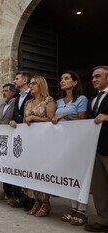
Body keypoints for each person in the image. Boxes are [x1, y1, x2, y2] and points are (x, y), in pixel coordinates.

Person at [51, 70, 88, 225]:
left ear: (75, 82)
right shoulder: (58, 102)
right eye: (61, 79)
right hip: (62, 142)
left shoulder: (81, 99)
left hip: (77, 141)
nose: (62, 81)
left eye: (66, 78)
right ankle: (73, 208)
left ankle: (82, 210)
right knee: (69, 175)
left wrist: (65, 116)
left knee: (80, 174)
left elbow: (83, 119)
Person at [22, 75, 56, 217]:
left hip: (45, 141)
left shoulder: (48, 101)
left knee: (43, 171)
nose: (31, 86)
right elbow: (24, 122)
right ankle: (36, 200)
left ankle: (45, 203)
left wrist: (35, 118)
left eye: (34, 83)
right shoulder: (28, 102)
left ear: (41, 84)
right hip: (31, 142)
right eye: (30, 84)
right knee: (32, 170)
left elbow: (51, 120)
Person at [84, 66, 108, 232]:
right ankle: (103, 219)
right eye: (93, 77)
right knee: (99, 188)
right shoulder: (92, 99)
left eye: (98, 76)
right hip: (95, 148)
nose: (94, 79)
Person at [9, 71, 33, 209]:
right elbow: (15, 114)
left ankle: (31, 198)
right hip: (19, 135)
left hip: (29, 134)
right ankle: (23, 196)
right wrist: (12, 120)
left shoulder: (31, 95)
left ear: (24, 81)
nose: (14, 81)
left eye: (17, 79)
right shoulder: (18, 97)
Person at [0, 84, 17, 202]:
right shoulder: (2, 105)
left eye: (6, 91)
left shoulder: (16, 103)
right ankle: (6, 191)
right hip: (2, 138)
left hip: (13, 136)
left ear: (13, 92)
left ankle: (15, 193)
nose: (4, 93)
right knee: (4, 164)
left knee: (12, 164)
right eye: (3, 91)